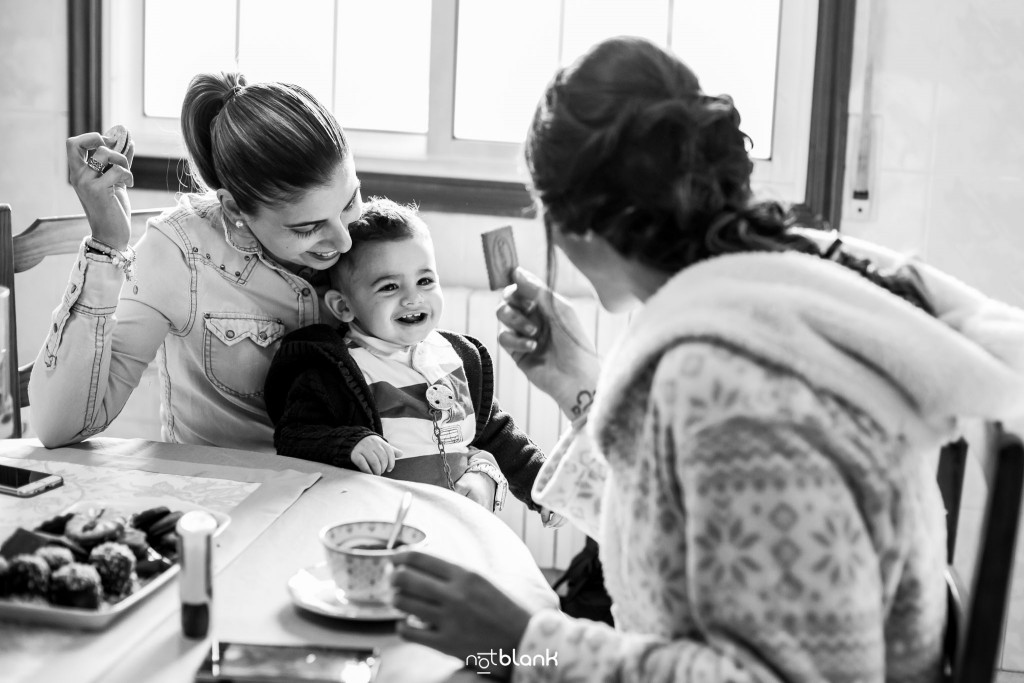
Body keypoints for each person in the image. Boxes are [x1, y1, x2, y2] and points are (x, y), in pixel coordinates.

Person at [388, 36, 1024, 681]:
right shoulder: (772, 289)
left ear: (576, 224)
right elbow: (690, 530)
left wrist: (518, 640)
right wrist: (580, 383)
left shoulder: (725, 377)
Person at [28, 72, 362, 452]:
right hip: (222, 497)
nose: (346, 239)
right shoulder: (180, 253)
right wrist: (108, 246)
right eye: (308, 227)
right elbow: (59, 428)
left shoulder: (374, 236)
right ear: (236, 209)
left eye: (351, 201)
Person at [264, 197, 559, 517]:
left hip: (454, 521)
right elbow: (293, 437)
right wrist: (349, 443)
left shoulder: (457, 357)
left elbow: (500, 435)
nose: (413, 297)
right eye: (390, 286)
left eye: (425, 281)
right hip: (376, 524)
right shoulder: (333, 370)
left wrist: (546, 490)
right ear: (343, 306)